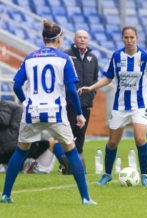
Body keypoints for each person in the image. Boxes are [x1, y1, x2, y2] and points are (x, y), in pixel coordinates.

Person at [0, 19, 96, 205]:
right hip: (56, 113)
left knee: (20, 151)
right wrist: (78, 113)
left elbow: (17, 84)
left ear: (43, 38)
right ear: (59, 39)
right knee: (71, 151)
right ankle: (85, 198)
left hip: (32, 112)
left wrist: (27, 101)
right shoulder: (63, 59)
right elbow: (70, 89)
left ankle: (6, 194)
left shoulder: (30, 58)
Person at [79, 26, 147, 187]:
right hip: (120, 105)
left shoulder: (145, 56)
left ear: (137, 38)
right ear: (122, 39)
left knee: (139, 138)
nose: (129, 40)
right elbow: (108, 78)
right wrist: (91, 87)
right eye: (126, 37)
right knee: (112, 142)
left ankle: (145, 175)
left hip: (140, 104)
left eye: (132, 37)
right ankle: (107, 175)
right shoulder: (117, 56)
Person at [64, 30, 98, 171]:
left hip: (86, 102)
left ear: (88, 40)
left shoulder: (93, 57)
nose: (82, 40)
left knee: (81, 133)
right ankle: (66, 163)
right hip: (70, 102)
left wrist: (92, 93)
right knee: (69, 133)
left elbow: (95, 78)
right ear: (74, 39)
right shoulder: (67, 55)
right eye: (80, 37)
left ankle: (77, 162)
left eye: (85, 37)